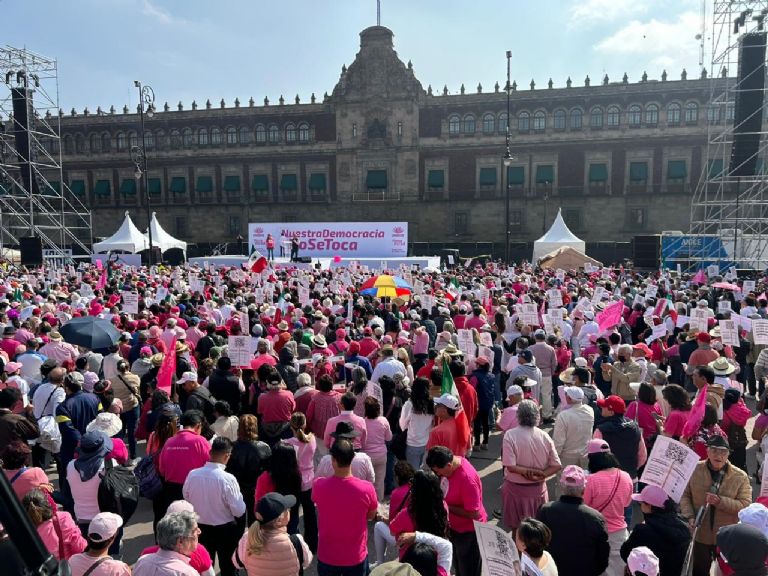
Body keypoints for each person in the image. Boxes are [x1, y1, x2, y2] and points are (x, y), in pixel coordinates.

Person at [680, 435, 752, 576]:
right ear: (707, 451)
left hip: (727, 536)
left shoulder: (740, 476)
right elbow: (685, 495)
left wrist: (721, 502)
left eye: (723, 451)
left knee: (727, 572)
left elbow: (745, 505)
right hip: (700, 534)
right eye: (714, 450)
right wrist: (689, 516)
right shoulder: (694, 469)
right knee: (699, 571)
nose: (718, 455)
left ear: (728, 454)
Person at [313, 437, 378, 576]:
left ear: (333, 460)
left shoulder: (318, 485)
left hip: (327, 555)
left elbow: (317, 504)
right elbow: (371, 516)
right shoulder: (367, 488)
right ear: (352, 458)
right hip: (355, 556)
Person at [183, 436, 245, 576]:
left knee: (203, 567)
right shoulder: (228, 479)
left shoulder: (193, 474)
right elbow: (239, 510)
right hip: (225, 530)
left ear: (210, 453)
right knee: (228, 568)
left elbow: (186, 498)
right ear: (227, 455)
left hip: (200, 529)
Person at [500, 399, 561, 531]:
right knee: (537, 531)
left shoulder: (510, 435)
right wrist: (541, 474)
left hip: (515, 491)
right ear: (536, 416)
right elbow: (556, 465)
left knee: (517, 531)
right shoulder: (545, 436)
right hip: (538, 490)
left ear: (519, 416)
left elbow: (510, 466)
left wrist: (527, 472)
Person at [537, 466, 609, 576]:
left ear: (562, 487)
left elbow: (536, 544)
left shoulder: (545, 511)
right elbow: (602, 557)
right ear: (584, 489)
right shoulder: (596, 518)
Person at [426, 445, 487, 576]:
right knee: (458, 564)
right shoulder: (453, 463)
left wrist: (446, 506)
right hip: (455, 528)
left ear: (448, 465)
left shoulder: (467, 480)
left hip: (468, 532)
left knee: (468, 568)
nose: (438, 475)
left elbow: (473, 513)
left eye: (439, 472)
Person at [582, 439, 634, 576]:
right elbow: (627, 503)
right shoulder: (626, 477)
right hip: (620, 535)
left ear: (592, 459)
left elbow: (584, 507)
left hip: (596, 533)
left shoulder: (591, 480)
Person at [232, 492, 313, 576]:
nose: (290, 510)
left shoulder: (248, 538)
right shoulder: (296, 541)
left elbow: (237, 563)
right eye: (287, 510)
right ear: (279, 520)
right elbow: (307, 561)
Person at [620, 484, 691, 576]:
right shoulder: (683, 528)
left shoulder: (642, 531)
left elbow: (625, 553)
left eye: (641, 503)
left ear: (649, 506)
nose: (640, 506)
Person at [157, 409, 211, 518]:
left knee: (177, 520)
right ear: (198, 425)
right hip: (195, 488)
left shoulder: (169, 442)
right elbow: (211, 465)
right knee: (194, 520)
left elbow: (162, 469)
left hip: (171, 489)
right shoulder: (201, 441)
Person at [226, 414, 271, 527]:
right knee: (255, 521)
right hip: (256, 488)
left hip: (238, 488)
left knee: (238, 521)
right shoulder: (264, 447)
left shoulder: (231, 447)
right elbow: (268, 470)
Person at [284, 411, 318, 553]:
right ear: (304, 424)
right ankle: (312, 544)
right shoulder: (312, 439)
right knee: (310, 515)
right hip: (309, 481)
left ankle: (293, 545)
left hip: (294, 482)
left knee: (292, 516)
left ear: (290, 425)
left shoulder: (286, 444)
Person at [22, 488, 86, 561]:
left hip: (46, 571)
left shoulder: (25, 534)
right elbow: (80, 548)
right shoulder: (63, 519)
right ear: (47, 503)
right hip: (69, 569)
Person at [133, 510, 202, 576]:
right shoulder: (186, 573)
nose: (199, 532)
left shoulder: (142, 562)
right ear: (180, 541)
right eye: (195, 530)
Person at [552, 386, 594, 469]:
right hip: (585, 454)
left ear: (569, 399)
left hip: (567, 457)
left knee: (565, 481)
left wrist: (554, 457)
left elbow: (558, 441)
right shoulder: (589, 410)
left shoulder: (563, 415)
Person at [399, 376, 434, 470]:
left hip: (412, 443)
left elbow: (402, 424)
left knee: (414, 474)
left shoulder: (409, 404)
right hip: (427, 443)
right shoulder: (432, 403)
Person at [306, 374, 341, 465]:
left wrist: (309, 426)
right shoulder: (339, 397)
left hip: (319, 431)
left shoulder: (315, 398)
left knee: (321, 456)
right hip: (336, 432)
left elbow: (309, 415)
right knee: (335, 457)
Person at [111, 359, 141, 460]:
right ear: (128, 367)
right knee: (132, 433)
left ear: (117, 369)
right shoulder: (135, 378)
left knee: (120, 433)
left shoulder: (112, 381)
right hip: (132, 407)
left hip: (119, 409)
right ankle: (133, 456)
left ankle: (120, 456)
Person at [363, 396, 392, 501]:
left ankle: (368, 503)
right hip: (381, 456)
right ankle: (378, 506)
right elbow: (389, 437)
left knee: (367, 482)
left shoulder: (362, 422)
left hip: (366, 456)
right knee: (379, 483)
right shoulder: (383, 421)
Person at [625, 382, 663, 448]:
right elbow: (659, 422)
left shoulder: (634, 405)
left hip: (638, 440)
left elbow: (626, 421)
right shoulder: (656, 406)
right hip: (652, 441)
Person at [469, 356, 495, 450]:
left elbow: (472, 390)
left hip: (478, 403)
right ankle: (485, 442)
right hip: (488, 403)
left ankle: (476, 444)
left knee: (477, 423)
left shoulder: (475, 377)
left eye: (476, 364)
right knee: (485, 423)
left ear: (479, 365)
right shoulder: (491, 376)